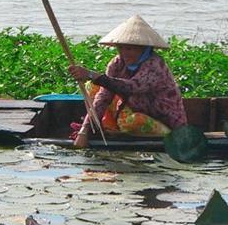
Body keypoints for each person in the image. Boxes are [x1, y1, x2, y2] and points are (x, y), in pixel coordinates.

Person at [68, 15, 187, 148]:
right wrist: (85, 130)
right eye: (121, 48)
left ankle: (118, 131)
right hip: (132, 109)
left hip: (163, 122)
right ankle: (107, 129)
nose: (124, 53)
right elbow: (104, 97)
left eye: (129, 49)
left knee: (131, 122)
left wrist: (92, 75)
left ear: (144, 49)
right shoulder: (117, 63)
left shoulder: (154, 64)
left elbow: (131, 87)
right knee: (93, 88)